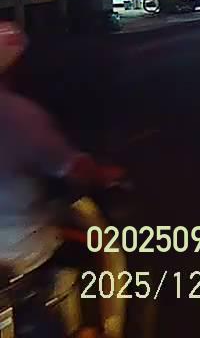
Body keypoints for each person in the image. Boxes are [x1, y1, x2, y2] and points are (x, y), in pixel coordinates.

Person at [1, 22, 123, 335]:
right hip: (20, 255)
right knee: (98, 249)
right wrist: (105, 175)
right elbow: (74, 168)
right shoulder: (22, 116)